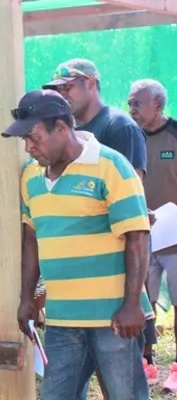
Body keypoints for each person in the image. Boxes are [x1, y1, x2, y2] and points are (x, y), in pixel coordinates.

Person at [8, 89, 153, 400]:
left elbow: (137, 236)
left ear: (61, 127)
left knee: (126, 395)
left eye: (34, 138)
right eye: (25, 140)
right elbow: (32, 240)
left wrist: (131, 305)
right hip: (63, 320)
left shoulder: (111, 166)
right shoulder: (31, 177)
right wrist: (26, 299)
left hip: (112, 318)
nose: (29, 147)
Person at [42, 58, 156, 391]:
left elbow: (134, 208)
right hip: (77, 300)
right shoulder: (68, 136)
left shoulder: (119, 127)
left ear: (91, 83)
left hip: (114, 286)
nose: (63, 95)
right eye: (57, 90)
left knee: (119, 384)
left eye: (68, 87)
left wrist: (131, 301)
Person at [129, 78, 177, 389]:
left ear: (157, 105)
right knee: (141, 302)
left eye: (137, 103)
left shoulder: (175, 133)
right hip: (139, 237)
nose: (131, 109)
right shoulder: (128, 137)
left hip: (174, 237)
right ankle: (145, 362)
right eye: (129, 103)